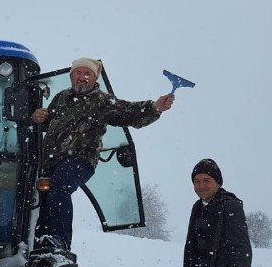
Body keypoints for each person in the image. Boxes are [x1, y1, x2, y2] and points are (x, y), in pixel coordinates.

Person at [31, 57, 174, 248]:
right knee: (42, 196)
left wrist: (154, 107)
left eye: (87, 73)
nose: (82, 77)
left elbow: (129, 112)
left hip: (81, 159)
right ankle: (40, 243)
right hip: (52, 161)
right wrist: (39, 117)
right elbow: (50, 123)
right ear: (72, 76)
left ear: (95, 77)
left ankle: (59, 242)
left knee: (61, 183)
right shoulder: (61, 98)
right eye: (78, 73)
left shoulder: (102, 101)